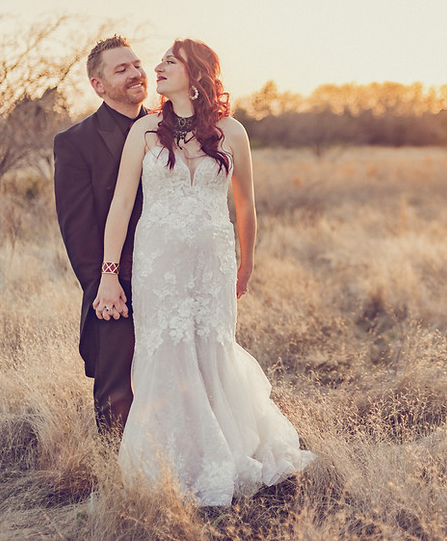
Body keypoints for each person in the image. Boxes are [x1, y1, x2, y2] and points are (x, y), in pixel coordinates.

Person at [93, 38, 314, 505]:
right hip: (159, 266)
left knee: (212, 347)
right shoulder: (146, 131)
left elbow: (245, 206)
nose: (156, 68)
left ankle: (228, 449)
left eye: (168, 62)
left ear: (196, 74)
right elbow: (120, 205)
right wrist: (109, 273)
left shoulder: (233, 132)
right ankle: (170, 459)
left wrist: (247, 262)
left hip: (213, 263)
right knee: (166, 350)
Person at [53, 35, 147, 437]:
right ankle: (117, 481)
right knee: (117, 391)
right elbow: (78, 228)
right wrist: (104, 286)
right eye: (121, 69)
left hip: (171, 276)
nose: (135, 74)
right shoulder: (75, 142)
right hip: (117, 282)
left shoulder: (169, 127)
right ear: (99, 84)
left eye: (137, 65)